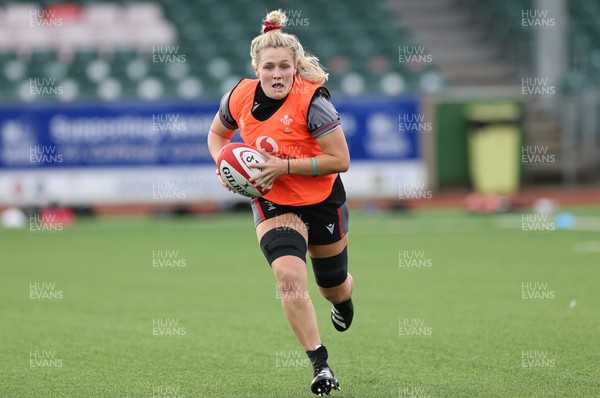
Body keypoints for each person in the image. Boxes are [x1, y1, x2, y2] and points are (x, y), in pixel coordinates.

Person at [207, 9, 354, 397]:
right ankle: (320, 365)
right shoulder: (238, 96)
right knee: (289, 277)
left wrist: (284, 165)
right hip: (274, 202)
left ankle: (344, 298)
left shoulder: (313, 100)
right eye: (268, 67)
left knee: (332, 286)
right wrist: (223, 167)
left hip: (321, 199)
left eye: (284, 67)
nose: (277, 74)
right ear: (256, 68)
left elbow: (341, 160)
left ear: (294, 68)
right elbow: (217, 135)